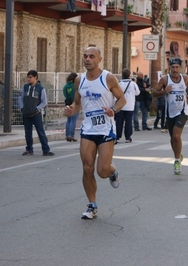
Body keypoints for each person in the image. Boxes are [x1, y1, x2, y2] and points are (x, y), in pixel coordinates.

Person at [63, 47, 126, 219]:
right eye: (85, 56)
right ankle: (92, 205)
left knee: (102, 171)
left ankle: (112, 171)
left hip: (105, 128)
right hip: (88, 129)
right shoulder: (79, 80)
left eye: (91, 56)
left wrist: (113, 109)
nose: (87, 59)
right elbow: (77, 104)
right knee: (86, 167)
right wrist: (71, 110)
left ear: (99, 59)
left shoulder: (108, 78)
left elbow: (122, 99)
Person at [153, 57, 188, 175]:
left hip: (183, 111)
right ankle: (178, 155)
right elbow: (154, 93)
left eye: (177, 67)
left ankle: (176, 161)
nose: (175, 70)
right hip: (170, 112)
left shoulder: (185, 78)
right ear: (169, 68)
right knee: (172, 138)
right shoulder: (164, 80)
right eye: (173, 67)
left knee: (176, 135)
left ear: (180, 68)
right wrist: (164, 91)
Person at [18, 70, 54, 156]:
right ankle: (29, 149)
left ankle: (46, 150)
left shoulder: (41, 89)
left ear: (35, 78)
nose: (28, 79)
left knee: (41, 132)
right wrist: (22, 108)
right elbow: (20, 98)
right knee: (28, 133)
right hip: (26, 114)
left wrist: (37, 109)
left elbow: (44, 101)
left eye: (30, 77)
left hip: (36, 114)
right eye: (28, 77)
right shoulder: (25, 87)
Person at [115, 68, 140, 143]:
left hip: (120, 105)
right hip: (130, 106)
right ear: (129, 75)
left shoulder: (119, 84)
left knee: (119, 121)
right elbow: (137, 93)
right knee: (128, 121)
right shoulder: (133, 84)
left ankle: (117, 137)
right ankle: (128, 137)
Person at [63, 72, 79, 142]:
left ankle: (67, 135)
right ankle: (71, 135)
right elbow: (77, 94)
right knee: (73, 120)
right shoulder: (75, 86)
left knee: (69, 120)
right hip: (74, 103)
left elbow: (65, 93)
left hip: (67, 103)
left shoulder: (66, 86)